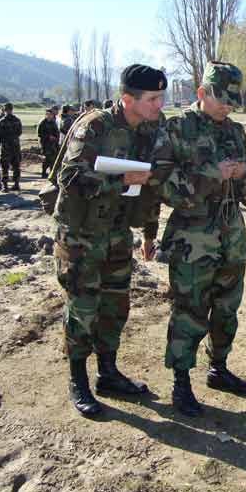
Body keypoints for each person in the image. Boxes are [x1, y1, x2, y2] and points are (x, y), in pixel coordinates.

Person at [53, 64, 173, 416]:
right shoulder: (95, 126)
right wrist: (119, 181)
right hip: (81, 235)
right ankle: (78, 379)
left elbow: (149, 187)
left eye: (161, 97)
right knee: (83, 307)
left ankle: (108, 372)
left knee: (115, 306)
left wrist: (150, 234)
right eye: (152, 99)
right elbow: (69, 177)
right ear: (127, 99)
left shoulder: (151, 129)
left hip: (118, 234)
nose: (159, 105)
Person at [159, 61, 246, 417]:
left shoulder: (236, 132)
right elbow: (160, 183)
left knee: (227, 309)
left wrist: (245, 172)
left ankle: (218, 368)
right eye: (222, 100)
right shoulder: (177, 129)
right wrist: (210, 175)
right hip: (193, 238)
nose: (228, 107)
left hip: (231, 235)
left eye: (233, 102)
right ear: (202, 93)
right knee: (189, 310)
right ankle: (181, 384)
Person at [0, 103, 23, 192]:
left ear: (4, 110)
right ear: (12, 109)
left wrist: (4, 140)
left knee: (4, 166)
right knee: (16, 166)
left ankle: (5, 186)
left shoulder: (2, 121)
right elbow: (19, 132)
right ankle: (16, 184)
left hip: (5, 147)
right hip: (15, 146)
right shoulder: (17, 120)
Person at [37, 109, 61, 178]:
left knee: (53, 159)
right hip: (45, 144)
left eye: (50, 114)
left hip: (53, 144)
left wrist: (55, 139)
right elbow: (40, 134)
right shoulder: (42, 123)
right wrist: (48, 137)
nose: (49, 116)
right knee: (46, 159)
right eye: (47, 114)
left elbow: (57, 132)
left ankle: (52, 173)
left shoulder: (53, 123)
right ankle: (44, 173)